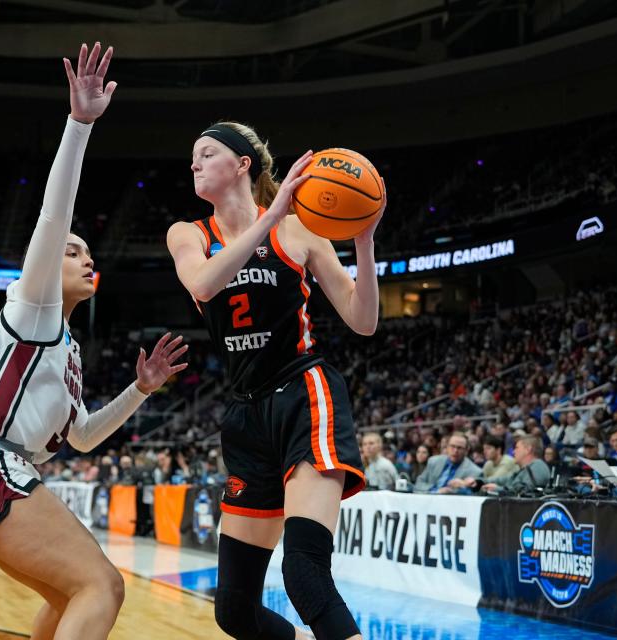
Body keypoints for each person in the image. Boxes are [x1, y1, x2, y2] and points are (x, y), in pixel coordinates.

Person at [0, 43, 187, 640]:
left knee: (74, 594)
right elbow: (53, 216)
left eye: (89, 254)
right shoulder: (33, 304)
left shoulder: (64, 345)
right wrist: (79, 125)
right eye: (74, 252)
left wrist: (141, 390)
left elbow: (82, 436)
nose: (85, 259)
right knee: (104, 585)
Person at [167, 114, 385, 640]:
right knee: (233, 612)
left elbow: (363, 320)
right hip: (244, 413)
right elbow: (203, 285)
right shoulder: (188, 234)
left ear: (242, 163)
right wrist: (270, 217)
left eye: (207, 152)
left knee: (303, 573)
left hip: (303, 395)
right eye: (193, 155)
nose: (194, 161)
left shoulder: (298, 229)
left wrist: (364, 241)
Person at [465, 435, 551, 495]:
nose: (513, 452)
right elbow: (504, 480)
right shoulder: (526, 469)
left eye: (517, 448)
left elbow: (526, 492)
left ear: (528, 449)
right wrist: (480, 481)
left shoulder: (538, 466)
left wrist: (498, 490)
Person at [415, 433, 482, 494]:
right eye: (452, 446)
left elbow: (473, 495)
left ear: (466, 451)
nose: (455, 451)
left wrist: (457, 489)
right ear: (447, 447)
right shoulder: (433, 461)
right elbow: (418, 484)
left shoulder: (475, 471)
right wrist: (436, 490)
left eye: (460, 448)